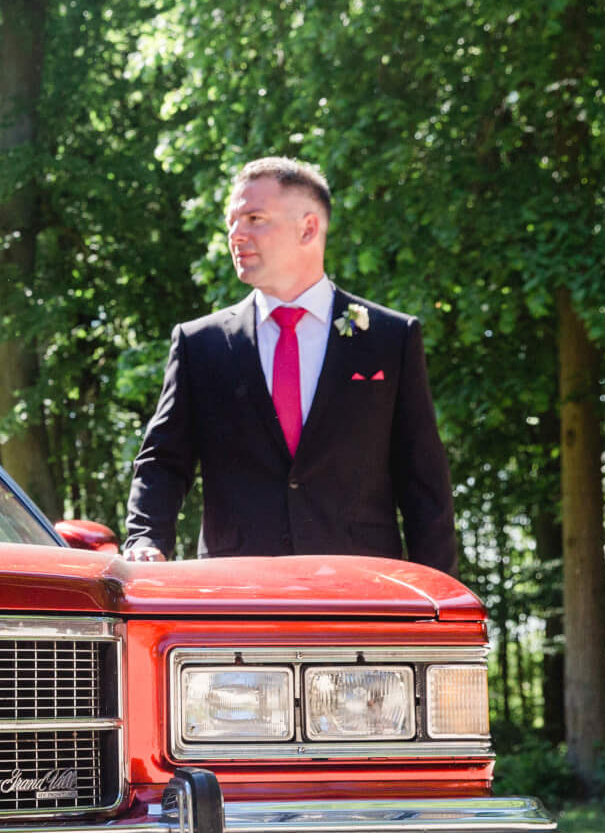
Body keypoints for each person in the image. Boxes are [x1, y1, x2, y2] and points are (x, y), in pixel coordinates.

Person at [124, 157, 458, 574]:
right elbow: (163, 460)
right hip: (237, 592)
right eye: (231, 222)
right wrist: (147, 538)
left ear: (308, 228)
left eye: (255, 218)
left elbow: (422, 477)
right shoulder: (201, 344)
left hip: (361, 590)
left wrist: (442, 599)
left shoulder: (390, 338)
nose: (235, 235)